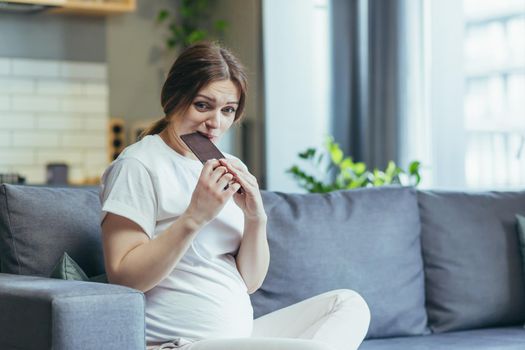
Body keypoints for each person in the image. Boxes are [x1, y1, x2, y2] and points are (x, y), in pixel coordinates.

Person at [99, 41, 370, 350]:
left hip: (238, 338)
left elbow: (250, 282)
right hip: (179, 343)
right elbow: (124, 279)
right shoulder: (139, 165)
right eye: (203, 105)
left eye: (228, 110)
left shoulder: (230, 166)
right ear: (173, 99)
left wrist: (256, 217)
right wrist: (194, 217)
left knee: (348, 304)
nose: (216, 123)